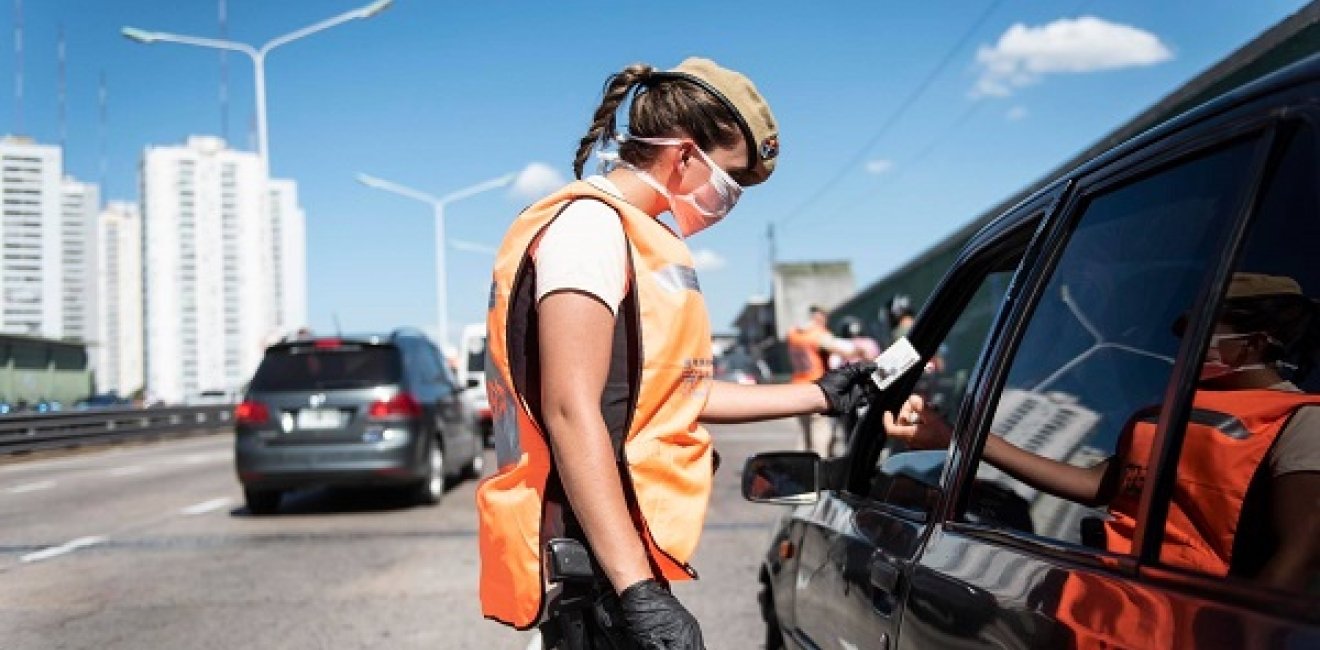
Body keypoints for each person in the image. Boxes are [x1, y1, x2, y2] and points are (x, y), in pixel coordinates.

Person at [476, 58, 884, 649]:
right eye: (733, 177)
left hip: (614, 560)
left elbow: (670, 393)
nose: (733, 197)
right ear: (686, 156)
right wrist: (636, 590)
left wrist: (820, 395)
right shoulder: (589, 230)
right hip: (593, 565)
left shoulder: (634, 237)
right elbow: (570, 411)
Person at [888, 272, 1320, 592]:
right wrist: (958, 440)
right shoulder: (1170, 413)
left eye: (1204, 333)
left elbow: (1300, 555)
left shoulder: (1299, 420)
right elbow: (1096, 484)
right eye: (1186, 335)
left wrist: (1237, 634)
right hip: (1119, 605)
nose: (1187, 347)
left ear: (1258, 343)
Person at [787, 305, 858, 456]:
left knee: (803, 436)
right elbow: (845, 349)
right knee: (820, 435)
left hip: (797, 388)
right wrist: (860, 349)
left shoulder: (793, 334)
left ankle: (798, 469)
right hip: (816, 390)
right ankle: (819, 471)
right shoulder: (817, 335)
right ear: (819, 317)